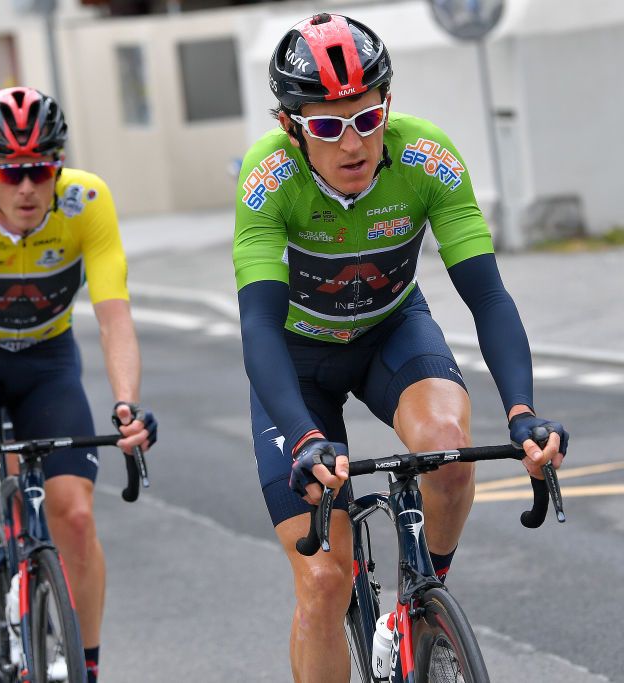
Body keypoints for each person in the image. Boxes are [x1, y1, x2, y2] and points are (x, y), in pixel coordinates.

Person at [233, 14, 569, 682]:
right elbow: (259, 328)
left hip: (390, 329)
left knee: (447, 447)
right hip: (295, 360)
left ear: (389, 105)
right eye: (328, 125)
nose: (353, 142)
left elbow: (490, 298)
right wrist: (302, 437)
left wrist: (523, 412)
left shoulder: (426, 157)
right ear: (291, 127)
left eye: (368, 117)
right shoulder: (267, 177)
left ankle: (416, 605)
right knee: (325, 582)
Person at [0, 86, 157, 683]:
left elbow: (114, 319)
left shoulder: (88, 201)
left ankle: (87, 667)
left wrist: (127, 405)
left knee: (75, 516)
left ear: (58, 166)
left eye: (41, 170)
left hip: (48, 362)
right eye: (13, 173)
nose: (27, 187)